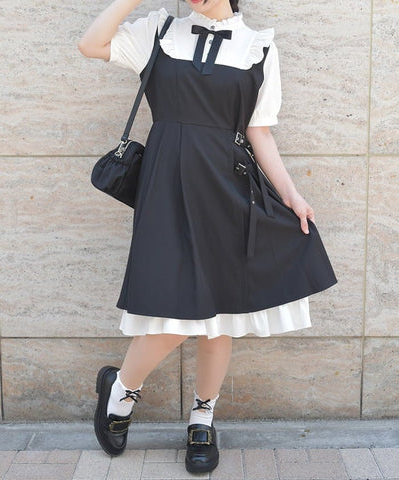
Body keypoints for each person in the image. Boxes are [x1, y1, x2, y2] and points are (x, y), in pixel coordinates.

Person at [78, 0, 337, 473]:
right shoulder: (160, 32)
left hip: (228, 188)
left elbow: (259, 132)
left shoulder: (259, 47)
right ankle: (121, 391)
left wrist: (292, 195)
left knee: (221, 313)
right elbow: (91, 44)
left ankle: (203, 416)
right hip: (167, 190)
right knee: (173, 310)